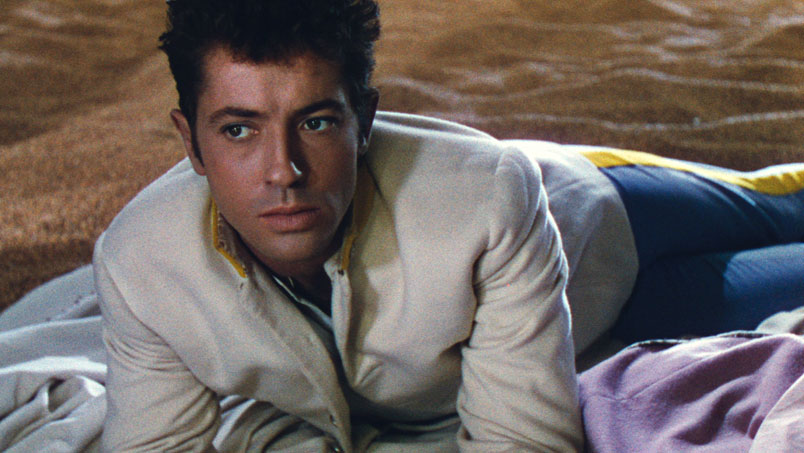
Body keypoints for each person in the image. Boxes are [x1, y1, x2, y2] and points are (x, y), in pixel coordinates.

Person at [92, 0, 804, 451]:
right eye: (239, 130)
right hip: (618, 316)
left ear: (364, 121)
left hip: (603, 217)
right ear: (190, 142)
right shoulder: (139, 263)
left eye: (317, 122)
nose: (284, 171)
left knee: (788, 210)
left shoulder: (486, 194)